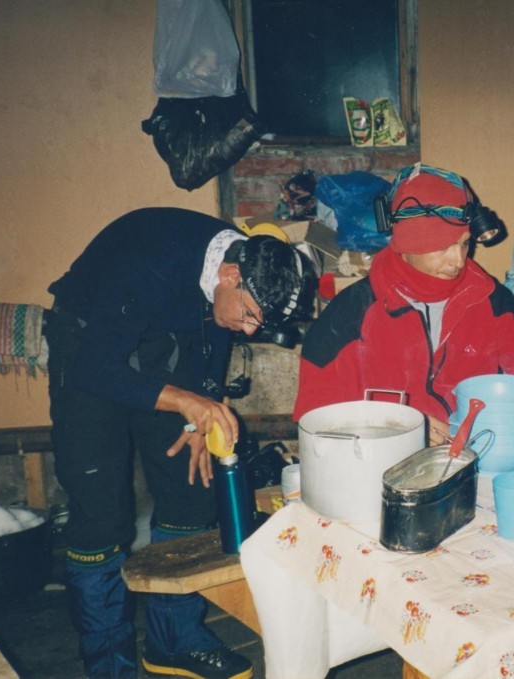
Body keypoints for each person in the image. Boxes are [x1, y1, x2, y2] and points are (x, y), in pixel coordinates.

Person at [46, 207, 315, 679]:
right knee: (100, 516)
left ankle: (174, 640)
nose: (250, 329)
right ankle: (109, 663)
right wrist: (185, 401)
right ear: (229, 275)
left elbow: (218, 333)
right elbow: (97, 368)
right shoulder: (147, 265)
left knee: (192, 490)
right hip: (88, 345)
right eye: (250, 315)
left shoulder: (234, 268)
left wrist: (202, 408)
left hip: (165, 339)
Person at [293, 164, 514, 443]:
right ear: (407, 244)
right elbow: (318, 420)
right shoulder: (347, 320)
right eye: (443, 246)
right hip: (383, 476)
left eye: (465, 244)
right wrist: (402, 428)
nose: (457, 261)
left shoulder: (486, 297)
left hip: (477, 460)